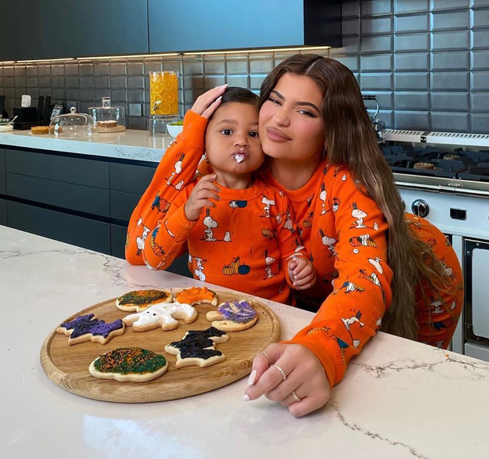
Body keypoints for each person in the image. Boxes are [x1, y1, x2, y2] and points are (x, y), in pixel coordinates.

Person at [241, 54, 462, 416]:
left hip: (427, 280)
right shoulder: (241, 164)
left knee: (405, 397)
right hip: (320, 300)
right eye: (275, 101)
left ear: (333, 128)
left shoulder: (347, 182)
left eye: (306, 111)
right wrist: (190, 136)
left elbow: (363, 277)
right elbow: (142, 246)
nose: (279, 119)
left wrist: (321, 349)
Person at [126, 86, 315, 304]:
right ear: (203, 142)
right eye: (227, 132)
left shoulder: (276, 199)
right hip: (210, 308)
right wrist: (186, 214)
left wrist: (298, 268)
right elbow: (153, 260)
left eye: (253, 134)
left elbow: (292, 252)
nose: (242, 141)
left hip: (274, 310)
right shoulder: (190, 197)